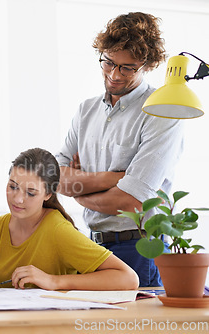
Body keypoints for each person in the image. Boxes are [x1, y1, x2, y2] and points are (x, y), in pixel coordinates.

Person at [55, 12, 183, 287]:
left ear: (147, 66)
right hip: (92, 245)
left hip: (140, 248)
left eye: (128, 68)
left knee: (137, 328)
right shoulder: (86, 110)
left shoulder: (162, 112)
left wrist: (79, 194)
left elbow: (131, 202)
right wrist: (112, 180)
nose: (114, 74)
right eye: (109, 62)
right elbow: (54, 176)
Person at [0, 148, 139, 290]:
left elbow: (129, 278)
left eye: (30, 193)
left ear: (48, 194)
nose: (17, 199)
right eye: (12, 186)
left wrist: (53, 281)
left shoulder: (57, 230)